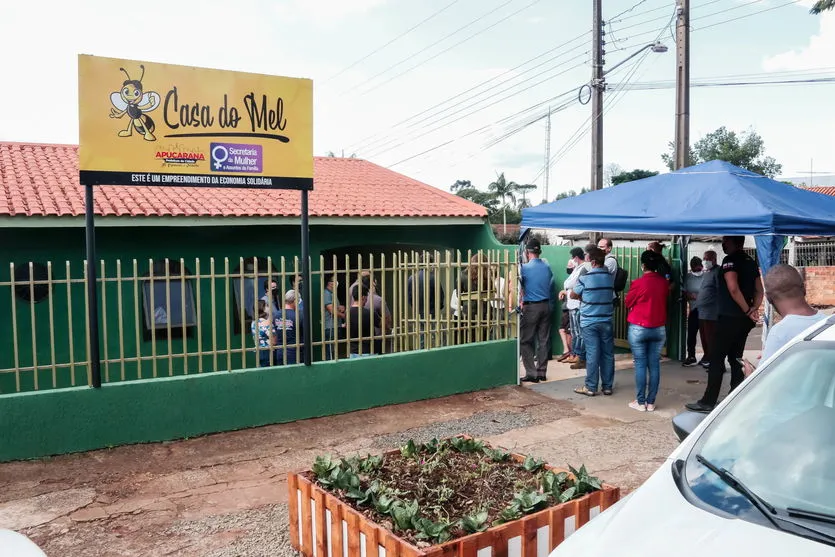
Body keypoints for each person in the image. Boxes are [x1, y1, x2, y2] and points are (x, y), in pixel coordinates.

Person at [687, 236, 763, 413]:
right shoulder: (750, 261)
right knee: (735, 357)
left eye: (726, 242)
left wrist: (746, 310)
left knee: (716, 358)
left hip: (730, 317)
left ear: (737, 243)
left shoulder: (730, 261)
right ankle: (735, 397)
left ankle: (708, 401)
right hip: (742, 320)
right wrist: (753, 308)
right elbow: (760, 289)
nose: (723, 244)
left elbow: (733, 287)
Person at [741, 264, 827, 376]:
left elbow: (764, 381)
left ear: (768, 298)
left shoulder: (780, 332)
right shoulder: (828, 322)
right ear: (804, 288)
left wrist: (749, 374)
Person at [625, 251, 669, 412]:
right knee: (654, 365)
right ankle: (651, 403)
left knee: (640, 364)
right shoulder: (663, 282)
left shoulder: (638, 283)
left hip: (638, 327)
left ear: (642, 265)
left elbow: (628, 301)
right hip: (658, 328)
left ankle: (640, 402)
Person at [572, 247, 615, 396]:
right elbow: (612, 297)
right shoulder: (609, 278)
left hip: (589, 322)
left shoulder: (585, 278)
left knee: (592, 354)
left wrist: (582, 297)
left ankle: (590, 387)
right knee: (608, 354)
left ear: (593, 261)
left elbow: (572, 294)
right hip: (606, 322)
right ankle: (607, 386)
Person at [519, 238, 554, 383]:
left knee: (525, 340)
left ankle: (532, 373)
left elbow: (520, 286)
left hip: (531, 306)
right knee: (543, 340)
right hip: (546, 306)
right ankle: (541, 372)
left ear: (527, 252)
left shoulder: (524, 268)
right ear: (539, 251)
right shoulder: (547, 267)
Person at [406, 254, 445, 349]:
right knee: (439, 337)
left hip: (418, 313)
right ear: (431, 264)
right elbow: (440, 296)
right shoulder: (433, 278)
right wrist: (438, 307)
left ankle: (422, 352)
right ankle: (439, 351)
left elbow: (409, 298)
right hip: (432, 312)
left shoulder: (411, 278)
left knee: (421, 338)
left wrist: (415, 308)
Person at [559, 247, 586, 364]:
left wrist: (568, 287)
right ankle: (574, 354)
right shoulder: (577, 268)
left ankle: (579, 355)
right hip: (572, 304)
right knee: (574, 332)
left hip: (577, 304)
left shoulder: (583, 268)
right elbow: (567, 283)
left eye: (572, 258)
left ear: (576, 257)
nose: (571, 260)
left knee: (578, 332)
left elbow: (570, 283)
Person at [695, 250, 719, 369]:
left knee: (711, 339)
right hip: (702, 312)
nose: (705, 261)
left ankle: (713, 361)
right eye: (704, 258)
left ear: (714, 259)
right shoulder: (707, 272)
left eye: (707, 259)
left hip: (711, 313)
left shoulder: (717, 272)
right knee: (704, 338)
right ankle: (707, 358)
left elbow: (720, 291)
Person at [682, 256, 705, 366]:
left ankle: (708, 357)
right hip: (694, 309)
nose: (697, 271)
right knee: (691, 334)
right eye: (695, 270)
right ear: (691, 268)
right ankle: (691, 356)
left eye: (699, 269)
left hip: (706, 309)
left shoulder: (706, 276)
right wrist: (689, 295)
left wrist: (701, 296)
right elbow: (684, 292)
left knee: (706, 335)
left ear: (702, 266)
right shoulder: (688, 277)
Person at [347, 282, 378, 358]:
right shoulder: (369, 313)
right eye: (367, 297)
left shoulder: (347, 313)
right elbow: (382, 324)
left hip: (353, 352)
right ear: (363, 297)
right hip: (369, 351)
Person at [274, 289, 303, 365]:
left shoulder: (276, 315)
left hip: (279, 351)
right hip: (294, 352)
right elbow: (303, 336)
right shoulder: (297, 316)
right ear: (295, 300)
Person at [323, 275, 345, 360]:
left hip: (334, 326)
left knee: (333, 351)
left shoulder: (332, 294)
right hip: (330, 327)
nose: (337, 283)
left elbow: (333, 308)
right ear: (330, 283)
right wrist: (344, 316)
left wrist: (340, 308)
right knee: (330, 353)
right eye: (335, 281)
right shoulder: (326, 293)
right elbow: (331, 310)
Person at [251, 299, 276, 367]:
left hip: (259, 351)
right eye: (267, 306)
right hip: (268, 352)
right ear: (263, 308)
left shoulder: (254, 322)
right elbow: (274, 341)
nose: (269, 308)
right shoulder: (266, 322)